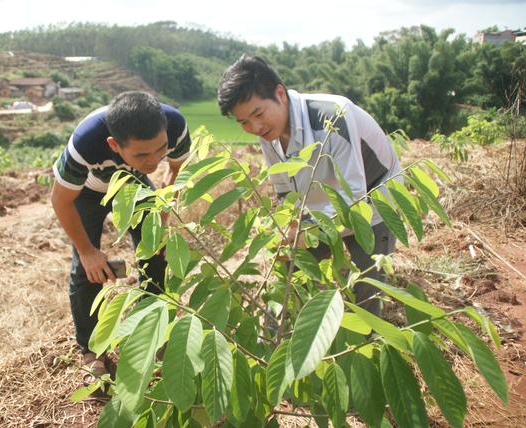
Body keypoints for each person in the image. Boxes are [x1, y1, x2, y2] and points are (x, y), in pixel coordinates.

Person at [217, 54, 401, 316]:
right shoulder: (267, 133)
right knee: (297, 281)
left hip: (372, 202)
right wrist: (288, 229)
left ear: (280, 94)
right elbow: (283, 189)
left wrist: (306, 236)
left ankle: (364, 345)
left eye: (258, 113)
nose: (254, 126)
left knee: (365, 290)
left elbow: (355, 201)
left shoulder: (333, 116)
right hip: (319, 212)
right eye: (244, 122)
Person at [51, 91, 191, 380]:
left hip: (133, 184)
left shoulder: (175, 124)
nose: (154, 161)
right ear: (114, 145)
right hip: (88, 190)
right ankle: (91, 350)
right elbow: (60, 201)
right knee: (87, 268)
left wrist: (161, 213)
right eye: (142, 154)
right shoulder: (85, 142)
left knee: (156, 252)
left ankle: (150, 333)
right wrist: (88, 251)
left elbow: (175, 168)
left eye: (160, 149)